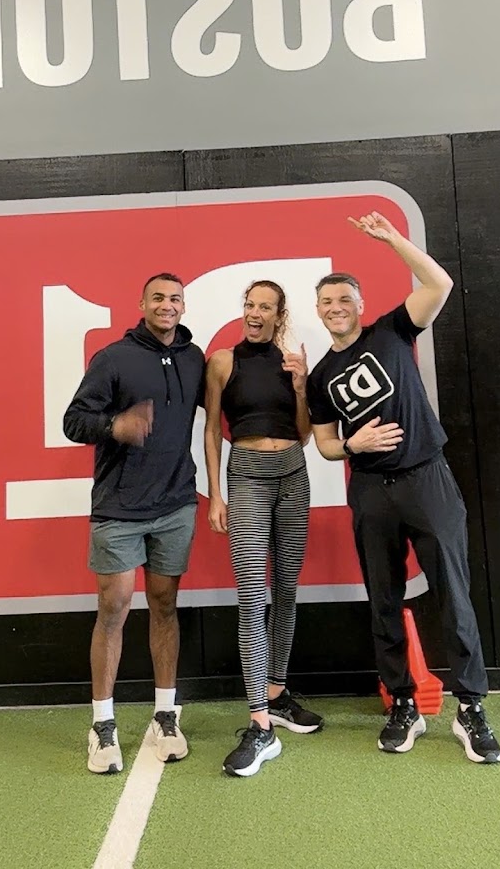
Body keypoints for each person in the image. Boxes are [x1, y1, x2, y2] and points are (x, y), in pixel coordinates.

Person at [307, 211, 500, 764]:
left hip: (426, 478)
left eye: (344, 299)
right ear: (317, 311)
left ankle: (470, 707)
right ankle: (403, 704)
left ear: (360, 304)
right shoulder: (320, 377)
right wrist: (353, 444)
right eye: (326, 301)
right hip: (371, 490)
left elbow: (439, 284)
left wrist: (392, 238)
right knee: (384, 601)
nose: (336, 307)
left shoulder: (392, 330)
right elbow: (324, 444)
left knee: (454, 596)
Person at [63, 273, 205, 774]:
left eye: (175, 298)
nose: (167, 305)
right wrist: (114, 425)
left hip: (176, 505)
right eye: (158, 297)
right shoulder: (113, 358)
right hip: (119, 509)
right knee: (114, 609)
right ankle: (102, 724)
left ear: (184, 306)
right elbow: (74, 421)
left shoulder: (194, 358)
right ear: (142, 304)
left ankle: (165, 715)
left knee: (165, 605)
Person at [205, 279, 324, 778]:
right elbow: (212, 430)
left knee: (286, 590)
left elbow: (305, 434)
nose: (255, 313)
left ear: (279, 314)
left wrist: (300, 388)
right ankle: (259, 724)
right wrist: (216, 493)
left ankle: (276, 693)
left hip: (294, 473)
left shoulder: (293, 362)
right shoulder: (222, 362)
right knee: (253, 597)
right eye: (250, 305)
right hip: (247, 477)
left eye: (266, 307)